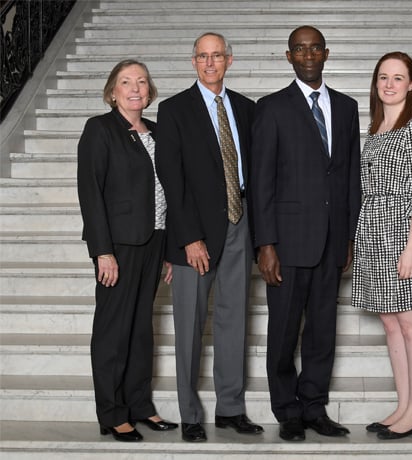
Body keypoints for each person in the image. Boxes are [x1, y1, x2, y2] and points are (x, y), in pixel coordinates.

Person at [250, 25, 360, 442]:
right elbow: (261, 182)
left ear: (326, 54)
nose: (308, 55)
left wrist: (348, 235)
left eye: (315, 48)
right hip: (288, 242)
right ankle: (287, 410)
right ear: (289, 56)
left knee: (322, 331)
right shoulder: (273, 107)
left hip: (331, 240)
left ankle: (314, 407)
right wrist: (266, 243)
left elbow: (349, 176)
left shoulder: (347, 108)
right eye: (300, 49)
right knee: (283, 330)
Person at [155, 32, 262, 443]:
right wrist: (188, 237)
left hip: (239, 226)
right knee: (189, 325)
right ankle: (189, 413)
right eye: (203, 56)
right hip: (194, 236)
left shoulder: (246, 109)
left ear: (229, 61)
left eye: (217, 56)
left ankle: (230, 408)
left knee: (233, 321)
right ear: (193, 61)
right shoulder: (174, 110)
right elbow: (171, 179)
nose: (210, 63)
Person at [77, 59, 177, 442]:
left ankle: (140, 406)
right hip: (118, 245)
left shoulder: (158, 131)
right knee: (113, 330)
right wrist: (102, 251)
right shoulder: (100, 129)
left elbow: (170, 188)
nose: (135, 88)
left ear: (149, 91)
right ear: (112, 90)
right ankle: (112, 412)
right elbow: (91, 192)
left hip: (155, 241)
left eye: (141, 82)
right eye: (126, 82)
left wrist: (169, 248)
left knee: (140, 329)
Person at [352, 51, 412, 441]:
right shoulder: (374, 130)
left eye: (398, 78)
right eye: (383, 77)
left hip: (403, 232)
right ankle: (403, 406)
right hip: (373, 231)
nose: (389, 84)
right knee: (391, 323)